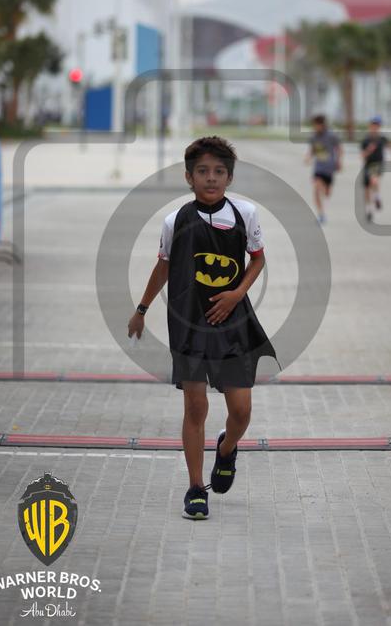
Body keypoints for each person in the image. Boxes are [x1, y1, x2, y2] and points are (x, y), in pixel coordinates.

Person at [127, 136, 277, 520]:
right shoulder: (174, 221)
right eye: (203, 171)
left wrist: (236, 294)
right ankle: (195, 488)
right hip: (188, 324)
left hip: (233, 323)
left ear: (229, 177)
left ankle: (226, 449)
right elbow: (163, 266)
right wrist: (142, 309)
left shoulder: (245, 214)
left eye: (219, 171)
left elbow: (258, 259)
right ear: (189, 177)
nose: (211, 178)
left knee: (241, 411)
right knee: (195, 406)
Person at [305, 114, 343, 223]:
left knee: (327, 193)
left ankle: (326, 188)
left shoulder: (331, 136)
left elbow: (339, 148)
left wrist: (339, 161)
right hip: (318, 168)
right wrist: (308, 157)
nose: (315, 127)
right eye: (314, 125)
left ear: (322, 125)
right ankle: (321, 214)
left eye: (316, 125)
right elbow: (312, 150)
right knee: (316, 189)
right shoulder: (313, 137)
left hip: (329, 168)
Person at [360, 116, 391, 222]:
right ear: (370, 126)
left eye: (377, 126)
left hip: (378, 164)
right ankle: (369, 210)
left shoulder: (382, 139)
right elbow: (362, 156)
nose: (375, 128)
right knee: (367, 189)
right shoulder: (366, 140)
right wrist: (368, 150)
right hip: (367, 165)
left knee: (374, 180)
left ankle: (377, 197)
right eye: (373, 125)